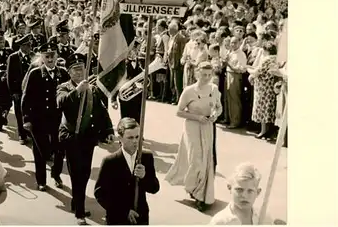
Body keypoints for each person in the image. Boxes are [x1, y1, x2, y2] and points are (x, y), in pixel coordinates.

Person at [57, 53, 115, 225]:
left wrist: (108, 130)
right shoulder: (64, 87)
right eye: (75, 69)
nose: (79, 72)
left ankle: (76, 202)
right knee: (77, 174)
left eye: (81, 69)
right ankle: (80, 213)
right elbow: (61, 103)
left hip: (88, 138)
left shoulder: (93, 88)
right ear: (69, 72)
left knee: (85, 172)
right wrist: (76, 91)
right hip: (71, 136)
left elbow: (101, 112)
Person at [164, 61, 222, 212]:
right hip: (192, 127)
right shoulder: (189, 91)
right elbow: (179, 111)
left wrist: (216, 114)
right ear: (197, 74)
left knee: (206, 161)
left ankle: (201, 196)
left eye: (209, 75)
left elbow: (218, 106)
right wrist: (197, 117)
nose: (207, 78)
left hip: (208, 127)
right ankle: (194, 189)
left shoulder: (214, 89)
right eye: (204, 75)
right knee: (196, 160)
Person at [21, 41, 70, 190]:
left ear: (57, 56)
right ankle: (41, 180)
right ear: (42, 57)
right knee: (40, 151)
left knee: (59, 149)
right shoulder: (35, 73)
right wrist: (27, 119)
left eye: (52, 56)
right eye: (47, 56)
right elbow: (26, 97)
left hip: (58, 119)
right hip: (39, 119)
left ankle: (56, 174)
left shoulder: (63, 73)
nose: (50, 59)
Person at [94, 117, 160, 225]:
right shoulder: (110, 161)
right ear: (120, 138)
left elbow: (154, 188)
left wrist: (145, 177)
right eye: (130, 137)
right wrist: (123, 211)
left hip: (140, 217)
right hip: (117, 218)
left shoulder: (146, 157)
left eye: (137, 137)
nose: (135, 141)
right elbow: (100, 193)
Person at [209, 162, 274, 225]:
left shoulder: (265, 219)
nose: (244, 196)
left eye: (250, 191)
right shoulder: (219, 222)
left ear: (258, 192)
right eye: (239, 190)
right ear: (229, 188)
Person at [6, 34, 33, 144]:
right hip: (18, 91)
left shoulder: (33, 56)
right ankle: (22, 135)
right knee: (19, 113)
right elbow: (9, 76)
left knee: (30, 113)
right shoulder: (13, 57)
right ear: (21, 46)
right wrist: (13, 92)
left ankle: (29, 133)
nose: (29, 48)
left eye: (30, 45)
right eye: (27, 46)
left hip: (30, 91)